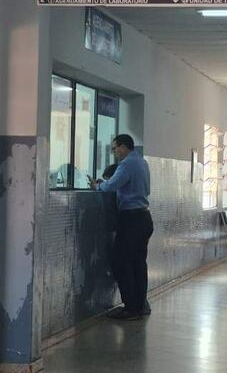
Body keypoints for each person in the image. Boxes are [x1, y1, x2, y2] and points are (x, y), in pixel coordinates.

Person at [89, 134, 153, 321]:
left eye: (115, 147)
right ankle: (139, 306)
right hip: (144, 217)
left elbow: (111, 185)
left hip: (132, 220)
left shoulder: (127, 164)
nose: (114, 151)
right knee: (138, 264)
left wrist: (98, 186)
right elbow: (146, 190)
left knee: (121, 263)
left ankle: (131, 308)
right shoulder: (142, 162)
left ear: (124, 147)